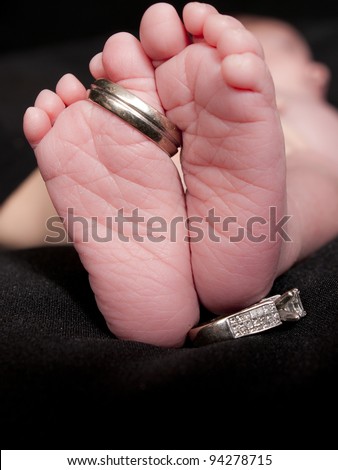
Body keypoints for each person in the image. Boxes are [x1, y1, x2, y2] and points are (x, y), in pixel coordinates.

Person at [1, 1, 338, 348]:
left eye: (266, 52)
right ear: (315, 74)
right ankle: (273, 236)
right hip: (220, 149)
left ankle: (111, 236)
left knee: (96, 157)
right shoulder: (309, 110)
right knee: (320, 176)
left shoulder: (276, 102)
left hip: (167, 146)